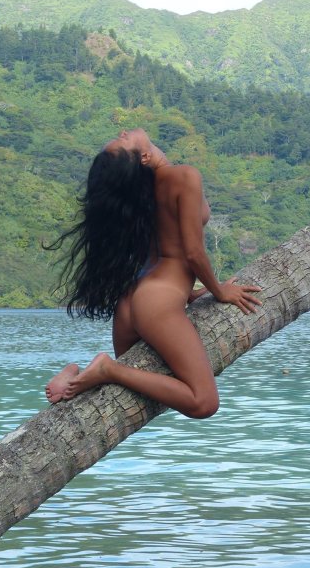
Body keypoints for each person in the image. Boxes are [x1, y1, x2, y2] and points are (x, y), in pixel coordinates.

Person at [45, 128, 261, 418]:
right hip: (156, 305)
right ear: (144, 157)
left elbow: (156, 253)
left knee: (138, 372)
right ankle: (106, 369)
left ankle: (76, 374)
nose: (123, 131)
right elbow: (192, 252)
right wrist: (219, 291)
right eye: (123, 140)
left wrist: (192, 293)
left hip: (131, 301)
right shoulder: (184, 177)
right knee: (204, 403)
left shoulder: (140, 193)